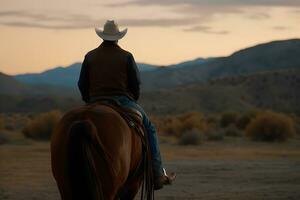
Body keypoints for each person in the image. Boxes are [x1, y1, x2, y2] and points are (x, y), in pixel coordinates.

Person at [77, 20, 176, 190]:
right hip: (122, 101)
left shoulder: (90, 56)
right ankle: (157, 174)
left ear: (102, 37)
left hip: (94, 101)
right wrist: (133, 100)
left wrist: (90, 101)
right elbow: (135, 84)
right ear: (117, 38)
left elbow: (81, 84)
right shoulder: (126, 56)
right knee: (149, 127)